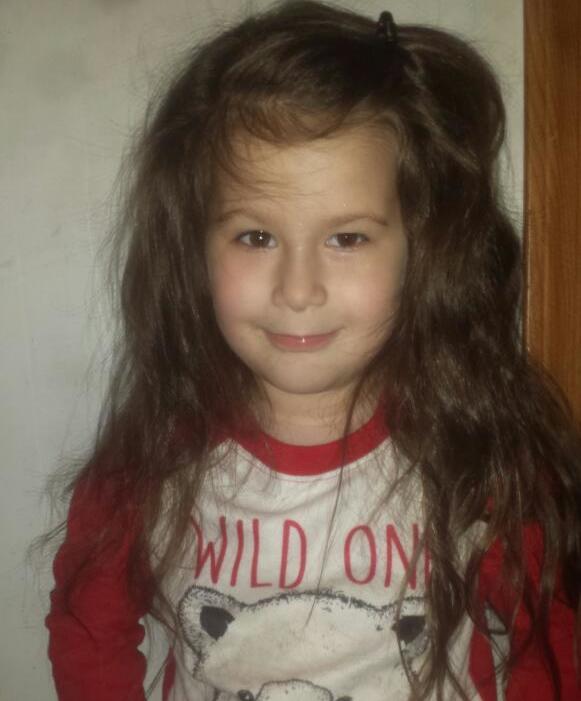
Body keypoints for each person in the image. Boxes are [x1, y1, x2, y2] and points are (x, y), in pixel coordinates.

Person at [45, 1, 581, 699]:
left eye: (347, 237)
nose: (298, 290)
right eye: (256, 236)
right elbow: (89, 633)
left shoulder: (475, 457)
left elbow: (546, 645)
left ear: (421, 247)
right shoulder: (149, 463)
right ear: (193, 248)